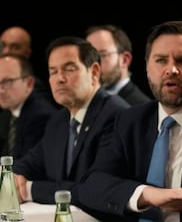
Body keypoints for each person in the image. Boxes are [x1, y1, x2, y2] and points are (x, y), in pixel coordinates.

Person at [77, 20, 182, 222]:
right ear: (147, 68)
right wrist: (147, 195)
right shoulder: (130, 121)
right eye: (161, 60)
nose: (171, 69)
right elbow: (91, 185)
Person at [12, 36, 130, 204]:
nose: (59, 78)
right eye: (53, 71)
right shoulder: (58, 120)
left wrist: (29, 190)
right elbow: (30, 163)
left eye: (69, 69)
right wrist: (12, 179)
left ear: (95, 72)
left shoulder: (116, 116)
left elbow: (93, 188)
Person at [0, 53, 57, 159]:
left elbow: (25, 168)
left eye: (7, 81)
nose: (1, 90)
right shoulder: (7, 113)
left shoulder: (41, 117)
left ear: (29, 83)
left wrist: (3, 175)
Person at [86, 24, 152, 105]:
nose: (93, 65)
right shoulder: (83, 103)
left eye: (102, 55)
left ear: (125, 60)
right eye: (88, 57)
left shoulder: (142, 107)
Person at [0, 26, 58, 108]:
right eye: (3, 46)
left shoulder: (36, 91)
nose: (6, 51)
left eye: (15, 47)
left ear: (27, 53)